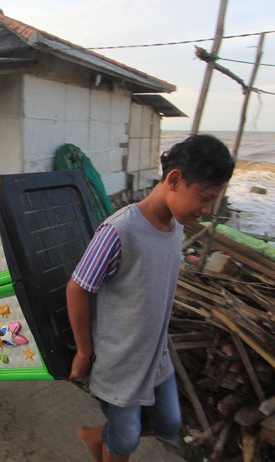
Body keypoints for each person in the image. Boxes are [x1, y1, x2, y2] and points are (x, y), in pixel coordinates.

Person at [66, 134, 235, 462]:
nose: (205, 210)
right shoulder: (119, 231)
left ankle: (95, 436)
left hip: (155, 354)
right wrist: (84, 353)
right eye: (204, 198)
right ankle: (107, 442)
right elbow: (78, 287)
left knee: (168, 422)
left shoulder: (176, 226)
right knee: (125, 441)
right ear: (174, 179)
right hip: (121, 360)